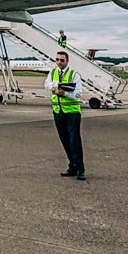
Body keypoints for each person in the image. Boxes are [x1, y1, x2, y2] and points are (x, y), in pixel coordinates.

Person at [44, 50, 85, 180]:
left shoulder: (74, 75)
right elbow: (47, 84)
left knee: (74, 141)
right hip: (58, 112)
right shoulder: (53, 72)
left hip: (72, 112)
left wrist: (65, 93)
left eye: (62, 60)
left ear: (67, 61)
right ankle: (72, 166)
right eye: (57, 60)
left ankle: (80, 169)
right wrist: (56, 87)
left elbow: (78, 93)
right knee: (64, 140)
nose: (59, 62)